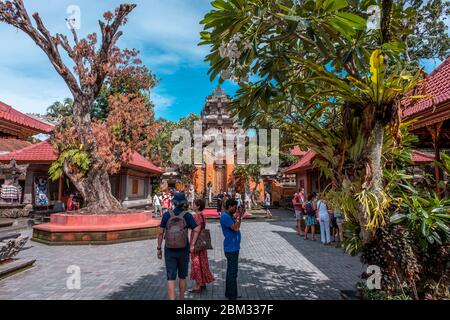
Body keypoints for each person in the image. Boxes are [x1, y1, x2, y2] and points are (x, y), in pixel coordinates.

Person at [157, 192, 201, 300]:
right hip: (183, 249)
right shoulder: (187, 215)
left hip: (169, 249)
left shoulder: (167, 215)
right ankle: (182, 299)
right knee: (182, 276)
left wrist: (159, 248)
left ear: (174, 202)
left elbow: (160, 232)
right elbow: (196, 229)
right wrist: (192, 244)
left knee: (170, 278)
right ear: (184, 203)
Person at [189, 199, 215, 293]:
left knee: (196, 262)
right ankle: (202, 283)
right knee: (202, 261)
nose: (192, 205)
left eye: (194, 204)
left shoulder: (196, 216)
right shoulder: (203, 216)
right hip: (202, 242)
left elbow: (197, 230)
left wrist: (192, 244)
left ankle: (198, 285)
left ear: (198, 206)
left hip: (196, 241)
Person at [220, 198, 242, 300]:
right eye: (234, 207)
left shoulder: (229, 215)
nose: (236, 209)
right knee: (232, 272)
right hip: (231, 248)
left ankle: (230, 293)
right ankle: (232, 295)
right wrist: (239, 217)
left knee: (232, 271)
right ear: (229, 207)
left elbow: (237, 227)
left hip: (233, 247)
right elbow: (235, 228)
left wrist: (238, 217)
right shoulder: (225, 217)